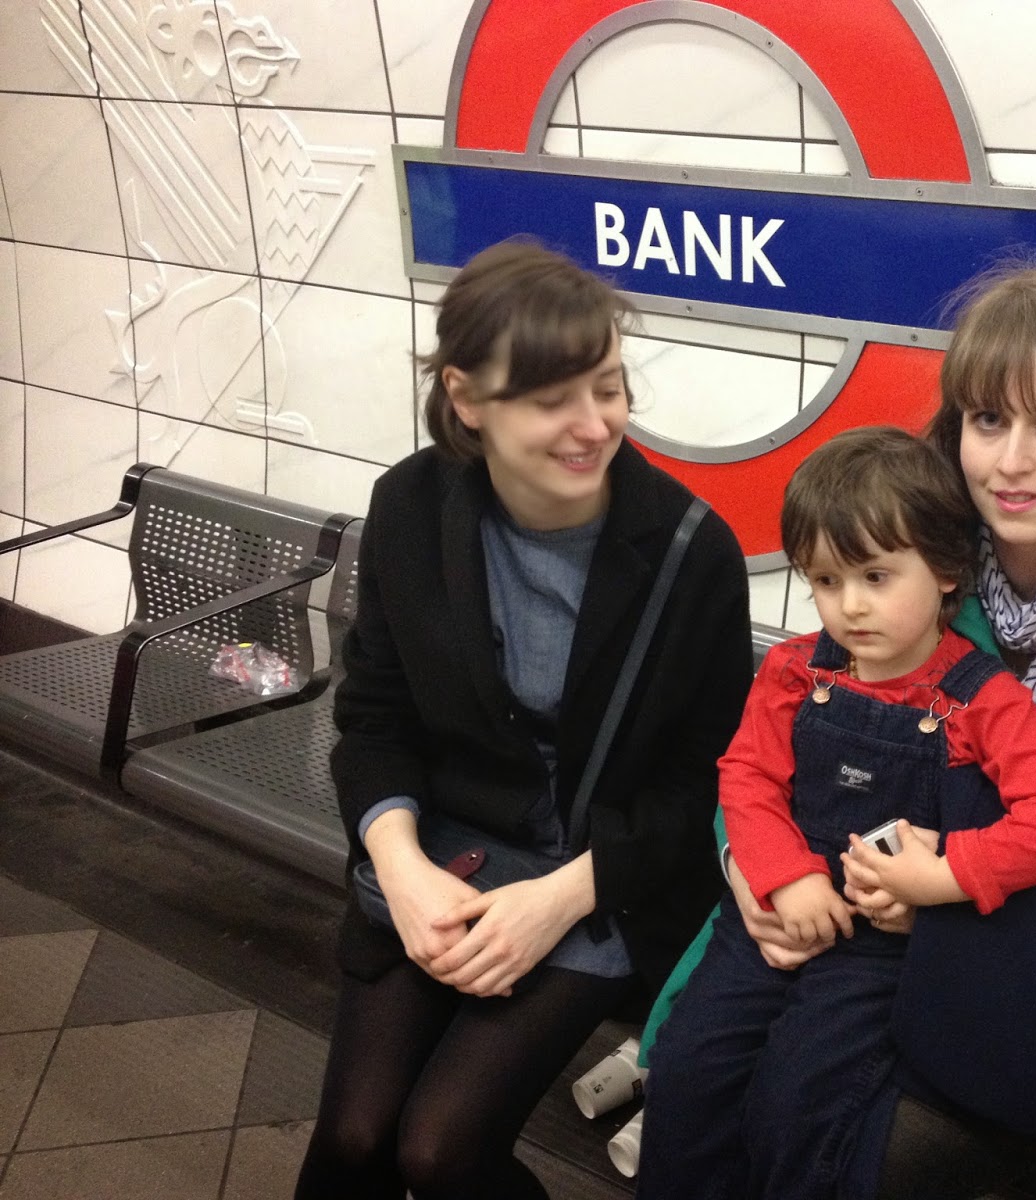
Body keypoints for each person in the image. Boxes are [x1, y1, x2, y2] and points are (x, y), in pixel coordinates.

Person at [640, 262, 1036, 1198]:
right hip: (839, 922)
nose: (1011, 462)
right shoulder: (904, 542)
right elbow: (783, 748)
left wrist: (950, 907)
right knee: (705, 1088)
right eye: (989, 420)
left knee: (833, 1136)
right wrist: (754, 871)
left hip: (1033, 958)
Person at [293, 238, 752, 1200]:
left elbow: (703, 783)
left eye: (609, 388)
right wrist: (402, 870)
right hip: (445, 852)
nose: (594, 426)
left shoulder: (687, 551)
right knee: (355, 1139)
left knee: (438, 1151)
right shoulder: (412, 508)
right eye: (552, 400)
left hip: (598, 877)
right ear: (466, 399)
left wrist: (558, 899)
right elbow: (374, 718)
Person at [636, 426, 1036, 1200]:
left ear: (947, 571)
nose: (849, 605)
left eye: (877, 576)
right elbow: (746, 777)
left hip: (880, 953)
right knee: (687, 1071)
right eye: (825, 580)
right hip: (772, 920)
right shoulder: (793, 672)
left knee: (799, 1105)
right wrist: (784, 878)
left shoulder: (983, 699)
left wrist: (946, 876)